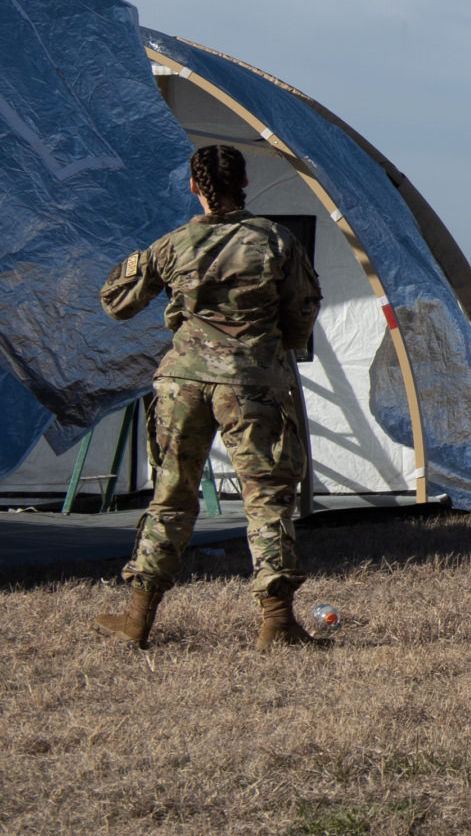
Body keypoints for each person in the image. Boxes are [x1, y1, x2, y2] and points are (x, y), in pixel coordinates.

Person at [92, 143, 324, 650]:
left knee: (171, 494)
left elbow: (115, 301)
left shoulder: (172, 245)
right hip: (252, 383)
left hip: (182, 384)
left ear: (194, 187)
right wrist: (266, 347)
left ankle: (138, 619)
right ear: (245, 183)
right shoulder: (276, 241)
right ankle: (277, 621)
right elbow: (302, 315)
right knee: (266, 498)